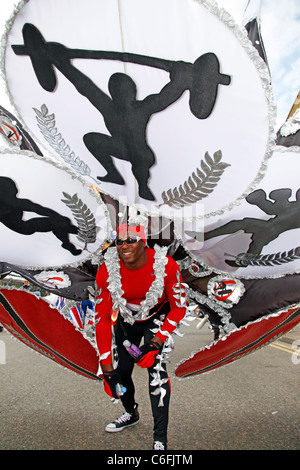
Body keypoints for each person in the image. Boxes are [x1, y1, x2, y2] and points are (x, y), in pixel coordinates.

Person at [94, 222, 187, 450]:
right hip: (126, 320)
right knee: (122, 372)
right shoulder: (107, 269)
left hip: (156, 317)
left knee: (156, 371)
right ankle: (130, 413)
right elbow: (103, 319)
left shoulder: (166, 264)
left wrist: (156, 343)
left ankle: (160, 438)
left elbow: (179, 308)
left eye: (131, 240)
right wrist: (107, 369)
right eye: (119, 241)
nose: (124, 246)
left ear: (143, 242)